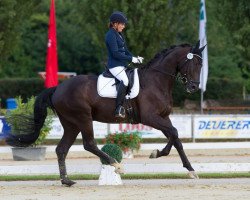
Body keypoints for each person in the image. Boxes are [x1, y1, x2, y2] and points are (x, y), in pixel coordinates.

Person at [105, 11, 144, 119]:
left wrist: (135, 58)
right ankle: (118, 108)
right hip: (114, 66)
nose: (123, 26)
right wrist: (131, 59)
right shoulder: (110, 35)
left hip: (122, 65)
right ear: (115, 24)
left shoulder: (119, 34)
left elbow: (125, 51)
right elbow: (115, 53)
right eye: (122, 24)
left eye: (124, 24)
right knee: (125, 81)